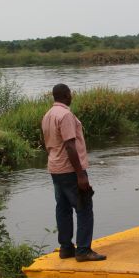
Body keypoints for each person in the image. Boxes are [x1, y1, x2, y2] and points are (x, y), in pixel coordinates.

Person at [41, 84, 106, 262]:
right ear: (65, 95)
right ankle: (83, 250)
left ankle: (66, 248)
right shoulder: (65, 115)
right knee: (84, 207)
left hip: (55, 168)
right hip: (70, 169)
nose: (71, 96)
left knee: (63, 208)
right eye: (70, 94)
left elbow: (47, 142)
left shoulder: (48, 115)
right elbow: (70, 145)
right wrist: (81, 175)